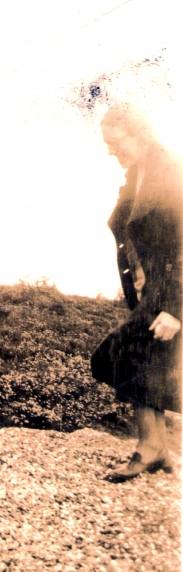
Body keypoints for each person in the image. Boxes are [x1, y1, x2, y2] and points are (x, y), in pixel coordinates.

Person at [91, 103, 182, 480]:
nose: (111, 150)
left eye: (115, 141)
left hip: (169, 292)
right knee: (137, 360)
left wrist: (175, 309)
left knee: (122, 354)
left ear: (139, 132)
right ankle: (157, 448)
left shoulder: (171, 172)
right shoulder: (137, 176)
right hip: (148, 293)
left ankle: (150, 449)